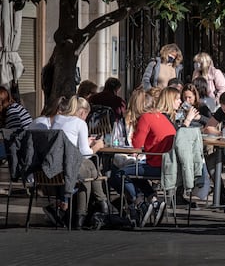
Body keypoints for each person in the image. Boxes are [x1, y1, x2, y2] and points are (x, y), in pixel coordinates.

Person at [109, 88, 175, 227]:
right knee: (134, 172)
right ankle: (153, 200)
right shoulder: (161, 116)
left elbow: (137, 145)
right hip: (167, 165)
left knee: (120, 173)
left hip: (156, 164)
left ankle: (139, 202)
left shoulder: (146, 118)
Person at [51, 96, 108, 229]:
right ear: (82, 112)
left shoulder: (57, 119)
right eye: (86, 116)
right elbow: (86, 154)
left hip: (55, 167)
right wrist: (97, 146)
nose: (85, 119)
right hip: (69, 168)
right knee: (89, 170)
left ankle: (86, 214)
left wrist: (84, 142)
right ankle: (101, 205)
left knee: (87, 171)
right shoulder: (79, 123)